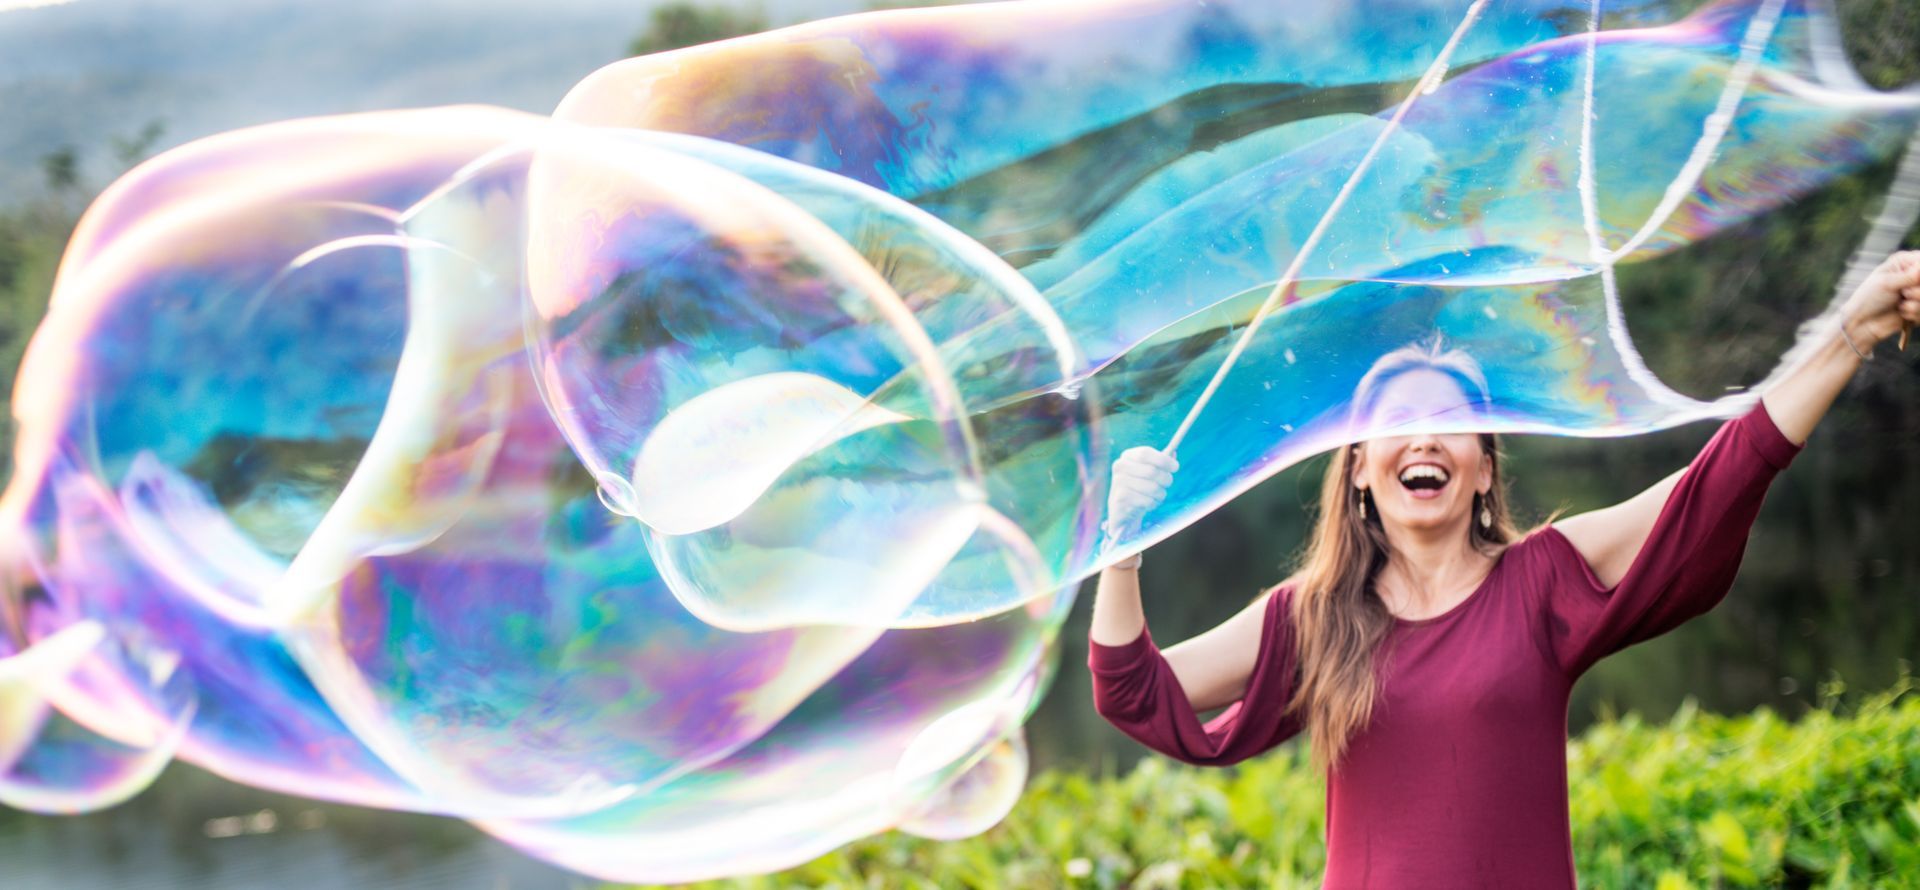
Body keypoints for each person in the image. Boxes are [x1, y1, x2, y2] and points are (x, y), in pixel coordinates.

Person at [1087, 251, 1920, 888]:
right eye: (1398, 421)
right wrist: (1121, 551)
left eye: (1453, 418)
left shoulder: (1541, 580)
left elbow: (1722, 475)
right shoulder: (1309, 616)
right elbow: (1132, 690)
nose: (1425, 436)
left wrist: (1849, 332)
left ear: (1485, 468)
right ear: (1360, 473)